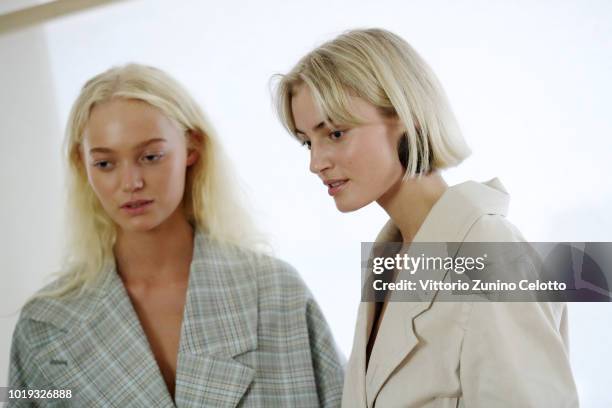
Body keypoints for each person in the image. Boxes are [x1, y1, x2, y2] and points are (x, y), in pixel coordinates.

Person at [274, 28, 579, 407]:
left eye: (335, 133)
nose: (316, 163)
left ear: (407, 117)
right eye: (307, 141)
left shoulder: (489, 253)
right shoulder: (390, 260)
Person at [8, 64, 344, 407]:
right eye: (105, 164)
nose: (130, 183)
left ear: (191, 148)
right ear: (82, 164)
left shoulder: (277, 292)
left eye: (150, 156)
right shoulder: (44, 325)